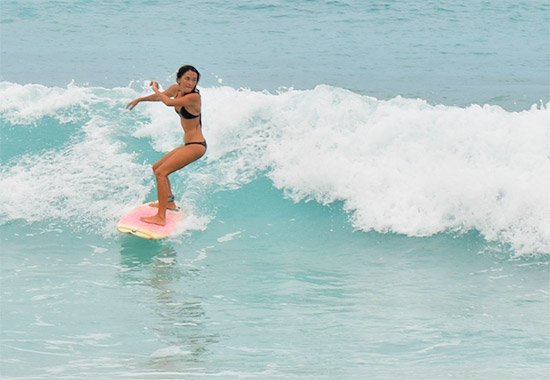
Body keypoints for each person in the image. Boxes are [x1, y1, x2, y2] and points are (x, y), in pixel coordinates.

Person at [127, 65, 206, 226]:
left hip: (197, 146)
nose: (191, 82)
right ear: (179, 79)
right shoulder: (176, 89)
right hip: (188, 143)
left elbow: (168, 102)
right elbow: (161, 97)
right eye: (187, 78)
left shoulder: (194, 98)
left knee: (162, 173)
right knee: (157, 168)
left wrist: (156, 89)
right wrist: (140, 99)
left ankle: (160, 217)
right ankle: (169, 202)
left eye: (194, 80)